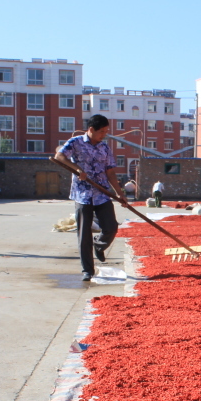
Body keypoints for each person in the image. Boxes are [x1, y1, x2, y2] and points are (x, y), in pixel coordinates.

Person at [57, 115, 128, 281]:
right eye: (101, 131)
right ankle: (87, 270)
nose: (104, 134)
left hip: (102, 194)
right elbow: (60, 156)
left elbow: (110, 172)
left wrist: (119, 193)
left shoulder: (105, 148)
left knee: (111, 227)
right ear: (91, 130)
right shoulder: (75, 142)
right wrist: (77, 169)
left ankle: (99, 245)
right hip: (82, 194)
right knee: (84, 235)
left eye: (106, 131)